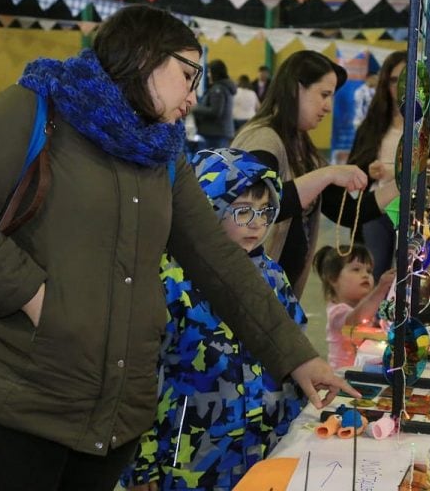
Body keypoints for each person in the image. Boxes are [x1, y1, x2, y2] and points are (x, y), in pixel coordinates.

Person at [0, 5, 358, 491]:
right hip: (8, 412)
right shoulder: (34, 110)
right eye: (187, 76)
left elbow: (219, 260)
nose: (194, 97)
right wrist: (38, 297)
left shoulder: (162, 154)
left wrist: (298, 356)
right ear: (143, 57)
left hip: (110, 425)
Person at [122, 148, 306, 490]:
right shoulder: (172, 281)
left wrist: (299, 425)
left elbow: (294, 353)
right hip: (189, 459)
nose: (257, 224)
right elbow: (141, 375)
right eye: (242, 212)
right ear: (208, 210)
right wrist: (142, 463)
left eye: (265, 211)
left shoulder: (272, 277)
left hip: (263, 450)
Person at [232, 50, 397, 298]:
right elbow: (260, 208)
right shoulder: (263, 140)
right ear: (296, 89)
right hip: (248, 295)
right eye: (324, 95)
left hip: (278, 297)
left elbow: (350, 211)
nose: (328, 107)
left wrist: (404, 182)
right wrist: (327, 175)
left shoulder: (302, 149)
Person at [349, 50, 430, 281]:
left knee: (415, 279)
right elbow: (353, 167)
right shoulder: (373, 123)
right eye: (394, 80)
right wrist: (368, 170)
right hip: (378, 209)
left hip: (420, 214)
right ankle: (375, 318)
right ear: (385, 83)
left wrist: (424, 170)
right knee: (374, 277)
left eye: (407, 79)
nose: (400, 86)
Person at [314, 244, 395, 370]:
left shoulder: (371, 308)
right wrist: (381, 288)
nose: (365, 275)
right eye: (356, 269)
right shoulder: (337, 312)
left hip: (363, 371)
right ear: (333, 278)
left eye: (369, 271)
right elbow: (354, 320)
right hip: (343, 377)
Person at [192, 59, 235, 150]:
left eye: (209, 72)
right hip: (218, 133)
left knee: (210, 162)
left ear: (215, 73)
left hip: (214, 134)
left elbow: (215, 111)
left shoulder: (218, 90)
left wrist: (194, 108)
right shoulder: (223, 88)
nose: (208, 75)